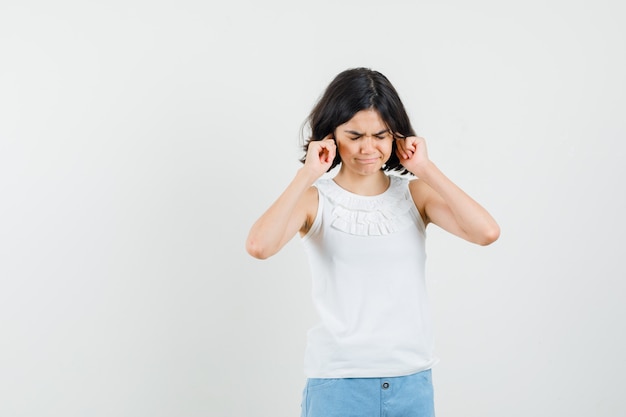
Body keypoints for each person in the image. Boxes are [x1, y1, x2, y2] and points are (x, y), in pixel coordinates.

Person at [246, 67, 500, 417]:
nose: (368, 148)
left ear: (396, 136)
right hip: (338, 386)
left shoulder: (415, 194)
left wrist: (425, 168)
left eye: (380, 136)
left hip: (411, 382)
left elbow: (486, 232)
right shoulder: (314, 200)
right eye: (354, 135)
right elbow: (260, 246)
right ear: (331, 135)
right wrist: (307, 173)